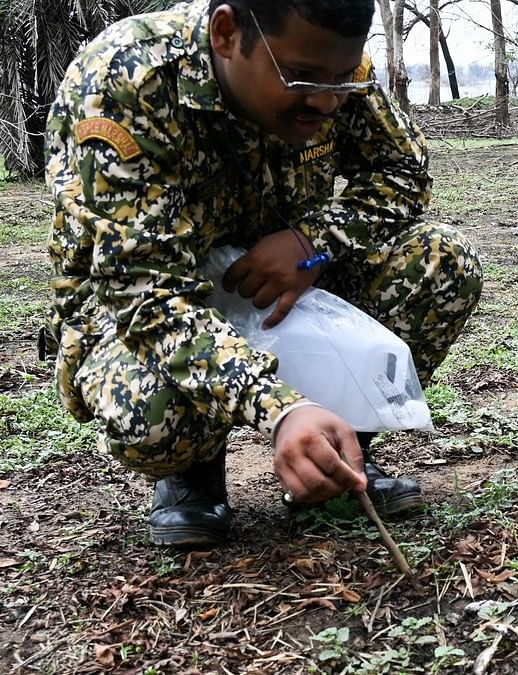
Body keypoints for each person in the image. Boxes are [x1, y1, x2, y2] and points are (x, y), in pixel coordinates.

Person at [45, 0, 483, 547]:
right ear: (227, 33)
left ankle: (336, 460)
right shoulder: (124, 80)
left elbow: (402, 172)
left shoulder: (332, 66)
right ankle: (193, 476)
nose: (324, 101)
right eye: (301, 78)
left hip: (289, 285)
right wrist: (281, 408)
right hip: (159, 301)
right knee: (148, 412)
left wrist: (311, 244)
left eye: (340, 79)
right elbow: (145, 296)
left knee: (443, 262)